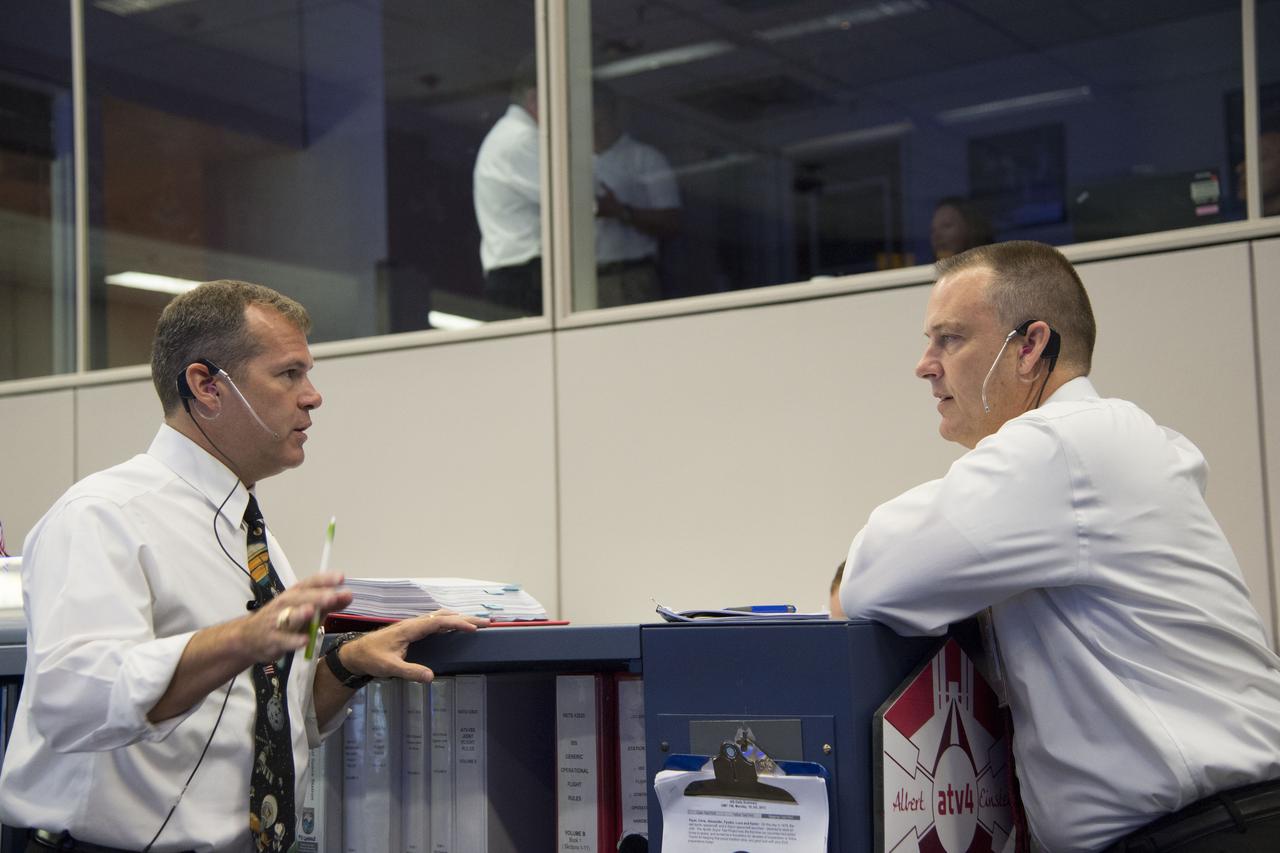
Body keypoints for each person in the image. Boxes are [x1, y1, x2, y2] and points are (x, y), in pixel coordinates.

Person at [0, 280, 486, 852]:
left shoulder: (256, 540)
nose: (313, 397)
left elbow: (269, 720)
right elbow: (75, 702)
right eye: (289, 374)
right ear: (207, 386)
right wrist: (243, 639)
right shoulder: (102, 515)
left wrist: (350, 665)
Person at [840, 241, 1280, 852]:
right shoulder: (1110, 444)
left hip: (1200, 834)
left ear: (1029, 347)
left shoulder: (1059, 448)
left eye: (950, 339)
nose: (925, 365)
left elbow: (867, 580)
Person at [592, 86, 680, 308]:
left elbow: (672, 223)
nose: (594, 130)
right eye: (589, 123)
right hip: (584, 280)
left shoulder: (645, 158)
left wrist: (620, 211)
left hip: (631, 275)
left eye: (600, 122)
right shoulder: (571, 164)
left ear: (613, 115)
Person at [474, 55, 543, 315]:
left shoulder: (506, 136)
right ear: (535, 98)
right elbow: (573, 199)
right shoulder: (522, 140)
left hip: (512, 275)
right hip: (523, 276)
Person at [930, 196, 994, 260]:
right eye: (933, 230)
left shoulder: (994, 263)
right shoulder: (927, 268)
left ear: (970, 228)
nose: (937, 236)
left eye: (947, 226)